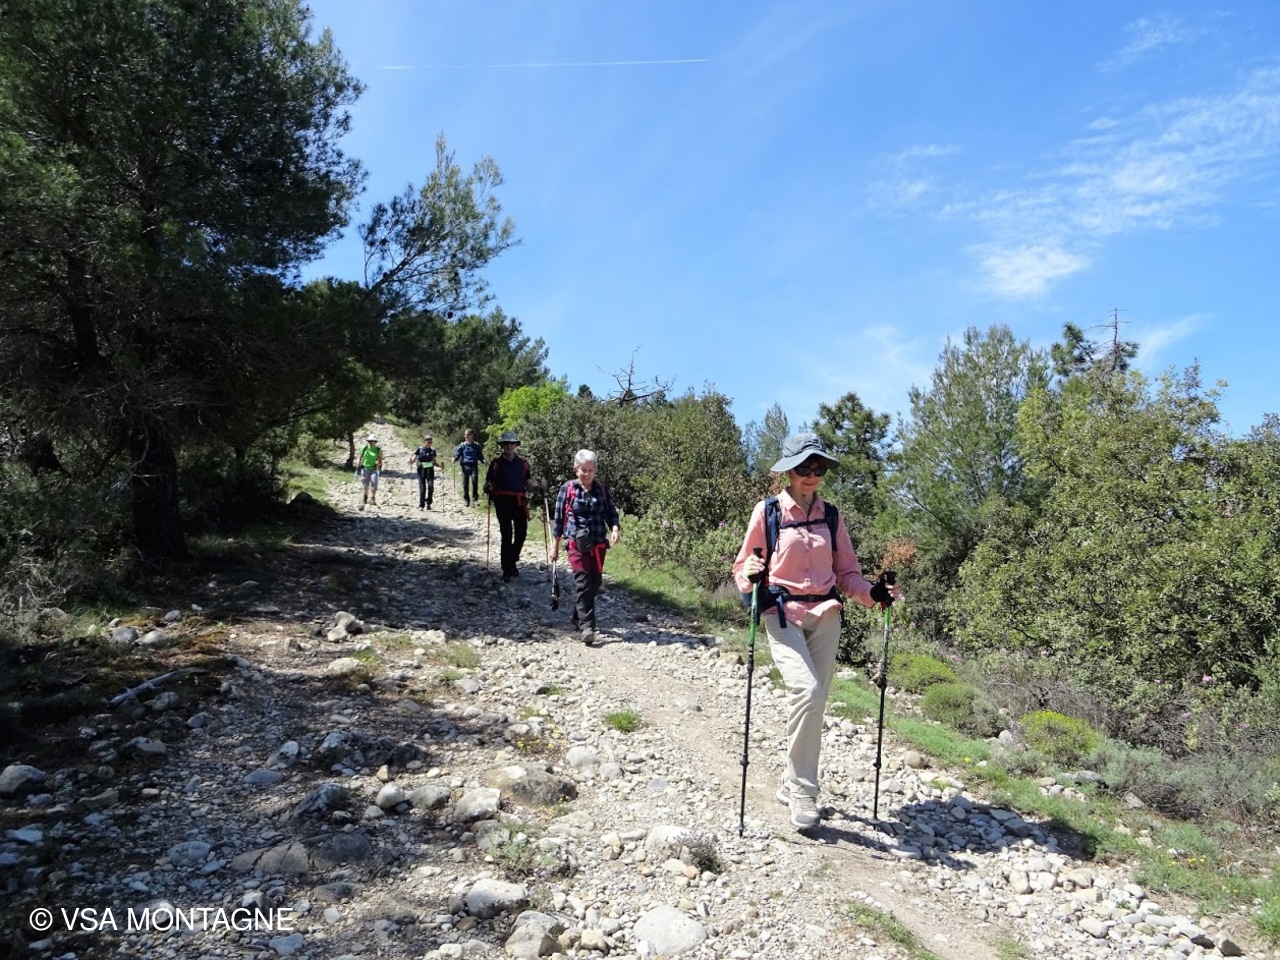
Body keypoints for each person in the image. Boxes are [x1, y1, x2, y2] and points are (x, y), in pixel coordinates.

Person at [732, 432, 901, 830]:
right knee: (806, 691)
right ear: (788, 471)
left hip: (826, 615)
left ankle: (790, 779)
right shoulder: (768, 512)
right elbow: (743, 567)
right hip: (781, 612)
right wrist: (749, 573)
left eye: (818, 467)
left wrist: (874, 594)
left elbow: (847, 574)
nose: (811, 475)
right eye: (803, 467)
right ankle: (803, 790)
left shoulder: (832, 516)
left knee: (815, 701)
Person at [550, 449, 620, 646]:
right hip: (575, 543)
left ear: (595, 470)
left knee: (595, 583)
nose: (587, 474)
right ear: (576, 470)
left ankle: (577, 616)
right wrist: (554, 547)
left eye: (590, 470)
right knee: (583, 582)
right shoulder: (567, 489)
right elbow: (558, 520)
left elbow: (611, 513)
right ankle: (588, 627)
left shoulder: (602, 490)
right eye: (583, 470)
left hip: (598, 544)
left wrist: (615, 528)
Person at [484, 430, 531, 582]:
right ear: (502, 446)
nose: (509, 446)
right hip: (502, 501)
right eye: (506, 443)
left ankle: (512, 561)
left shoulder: (523, 463)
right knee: (506, 533)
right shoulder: (496, 464)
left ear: (516, 445)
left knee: (521, 534)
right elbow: (489, 480)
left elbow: (528, 482)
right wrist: (488, 486)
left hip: (519, 502)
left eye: (512, 443)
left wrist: (538, 487)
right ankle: (506, 568)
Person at [453, 428, 484, 507]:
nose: (465, 436)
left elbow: (480, 456)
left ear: (471, 435)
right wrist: (454, 459)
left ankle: (475, 500)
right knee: (465, 483)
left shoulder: (476, 445)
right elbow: (457, 454)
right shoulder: (462, 445)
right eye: (465, 435)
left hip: (474, 466)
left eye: (467, 435)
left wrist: (483, 461)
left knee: (474, 482)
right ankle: (466, 500)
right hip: (465, 466)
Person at [409, 434, 437, 510]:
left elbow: (434, 462)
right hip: (421, 471)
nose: (429, 444)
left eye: (431, 442)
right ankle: (421, 505)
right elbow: (414, 459)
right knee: (422, 488)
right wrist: (411, 461)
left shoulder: (433, 451)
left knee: (431, 487)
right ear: (424, 442)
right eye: (428, 442)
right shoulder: (419, 449)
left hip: (430, 471)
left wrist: (440, 466)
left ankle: (429, 503)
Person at [357, 434, 383, 510]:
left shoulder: (378, 449)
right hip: (365, 468)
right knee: (365, 485)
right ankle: (365, 496)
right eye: (370, 441)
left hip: (374, 469)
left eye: (373, 441)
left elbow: (380, 459)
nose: (371, 442)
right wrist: (358, 462)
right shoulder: (364, 448)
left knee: (374, 484)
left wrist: (379, 464)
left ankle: (373, 498)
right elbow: (360, 456)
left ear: (375, 441)